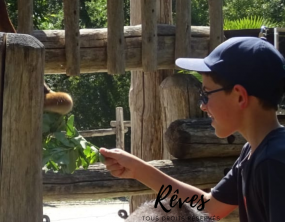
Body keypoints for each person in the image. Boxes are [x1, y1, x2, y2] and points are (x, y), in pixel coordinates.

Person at [100, 37, 285, 221]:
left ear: (239, 97)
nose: (203, 106)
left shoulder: (273, 162)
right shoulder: (254, 152)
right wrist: (138, 170)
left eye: (206, 94)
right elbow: (209, 207)